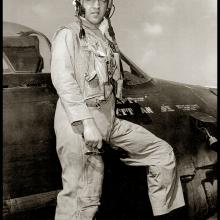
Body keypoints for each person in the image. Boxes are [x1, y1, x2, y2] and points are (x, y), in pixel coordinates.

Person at [51, 0, 185, 219]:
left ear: (108, 5)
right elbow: (63, 80)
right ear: (79, 4)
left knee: (162, 154)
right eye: (89, 0)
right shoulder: (69, 34)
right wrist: (87, 124)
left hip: (108, 120)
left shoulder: (103, 38)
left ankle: (163, 214)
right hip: (78, 123)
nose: (96, 6)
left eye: (101, 1)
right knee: (83, 200)